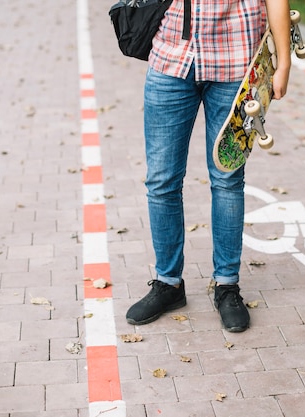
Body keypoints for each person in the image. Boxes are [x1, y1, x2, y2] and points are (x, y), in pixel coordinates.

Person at [125, 0, 292, 332]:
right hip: (171, 60)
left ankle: (227, 285)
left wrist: (284, 61)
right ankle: (168, 283)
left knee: (228, 178)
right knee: (161, 181)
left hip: (237, 62)